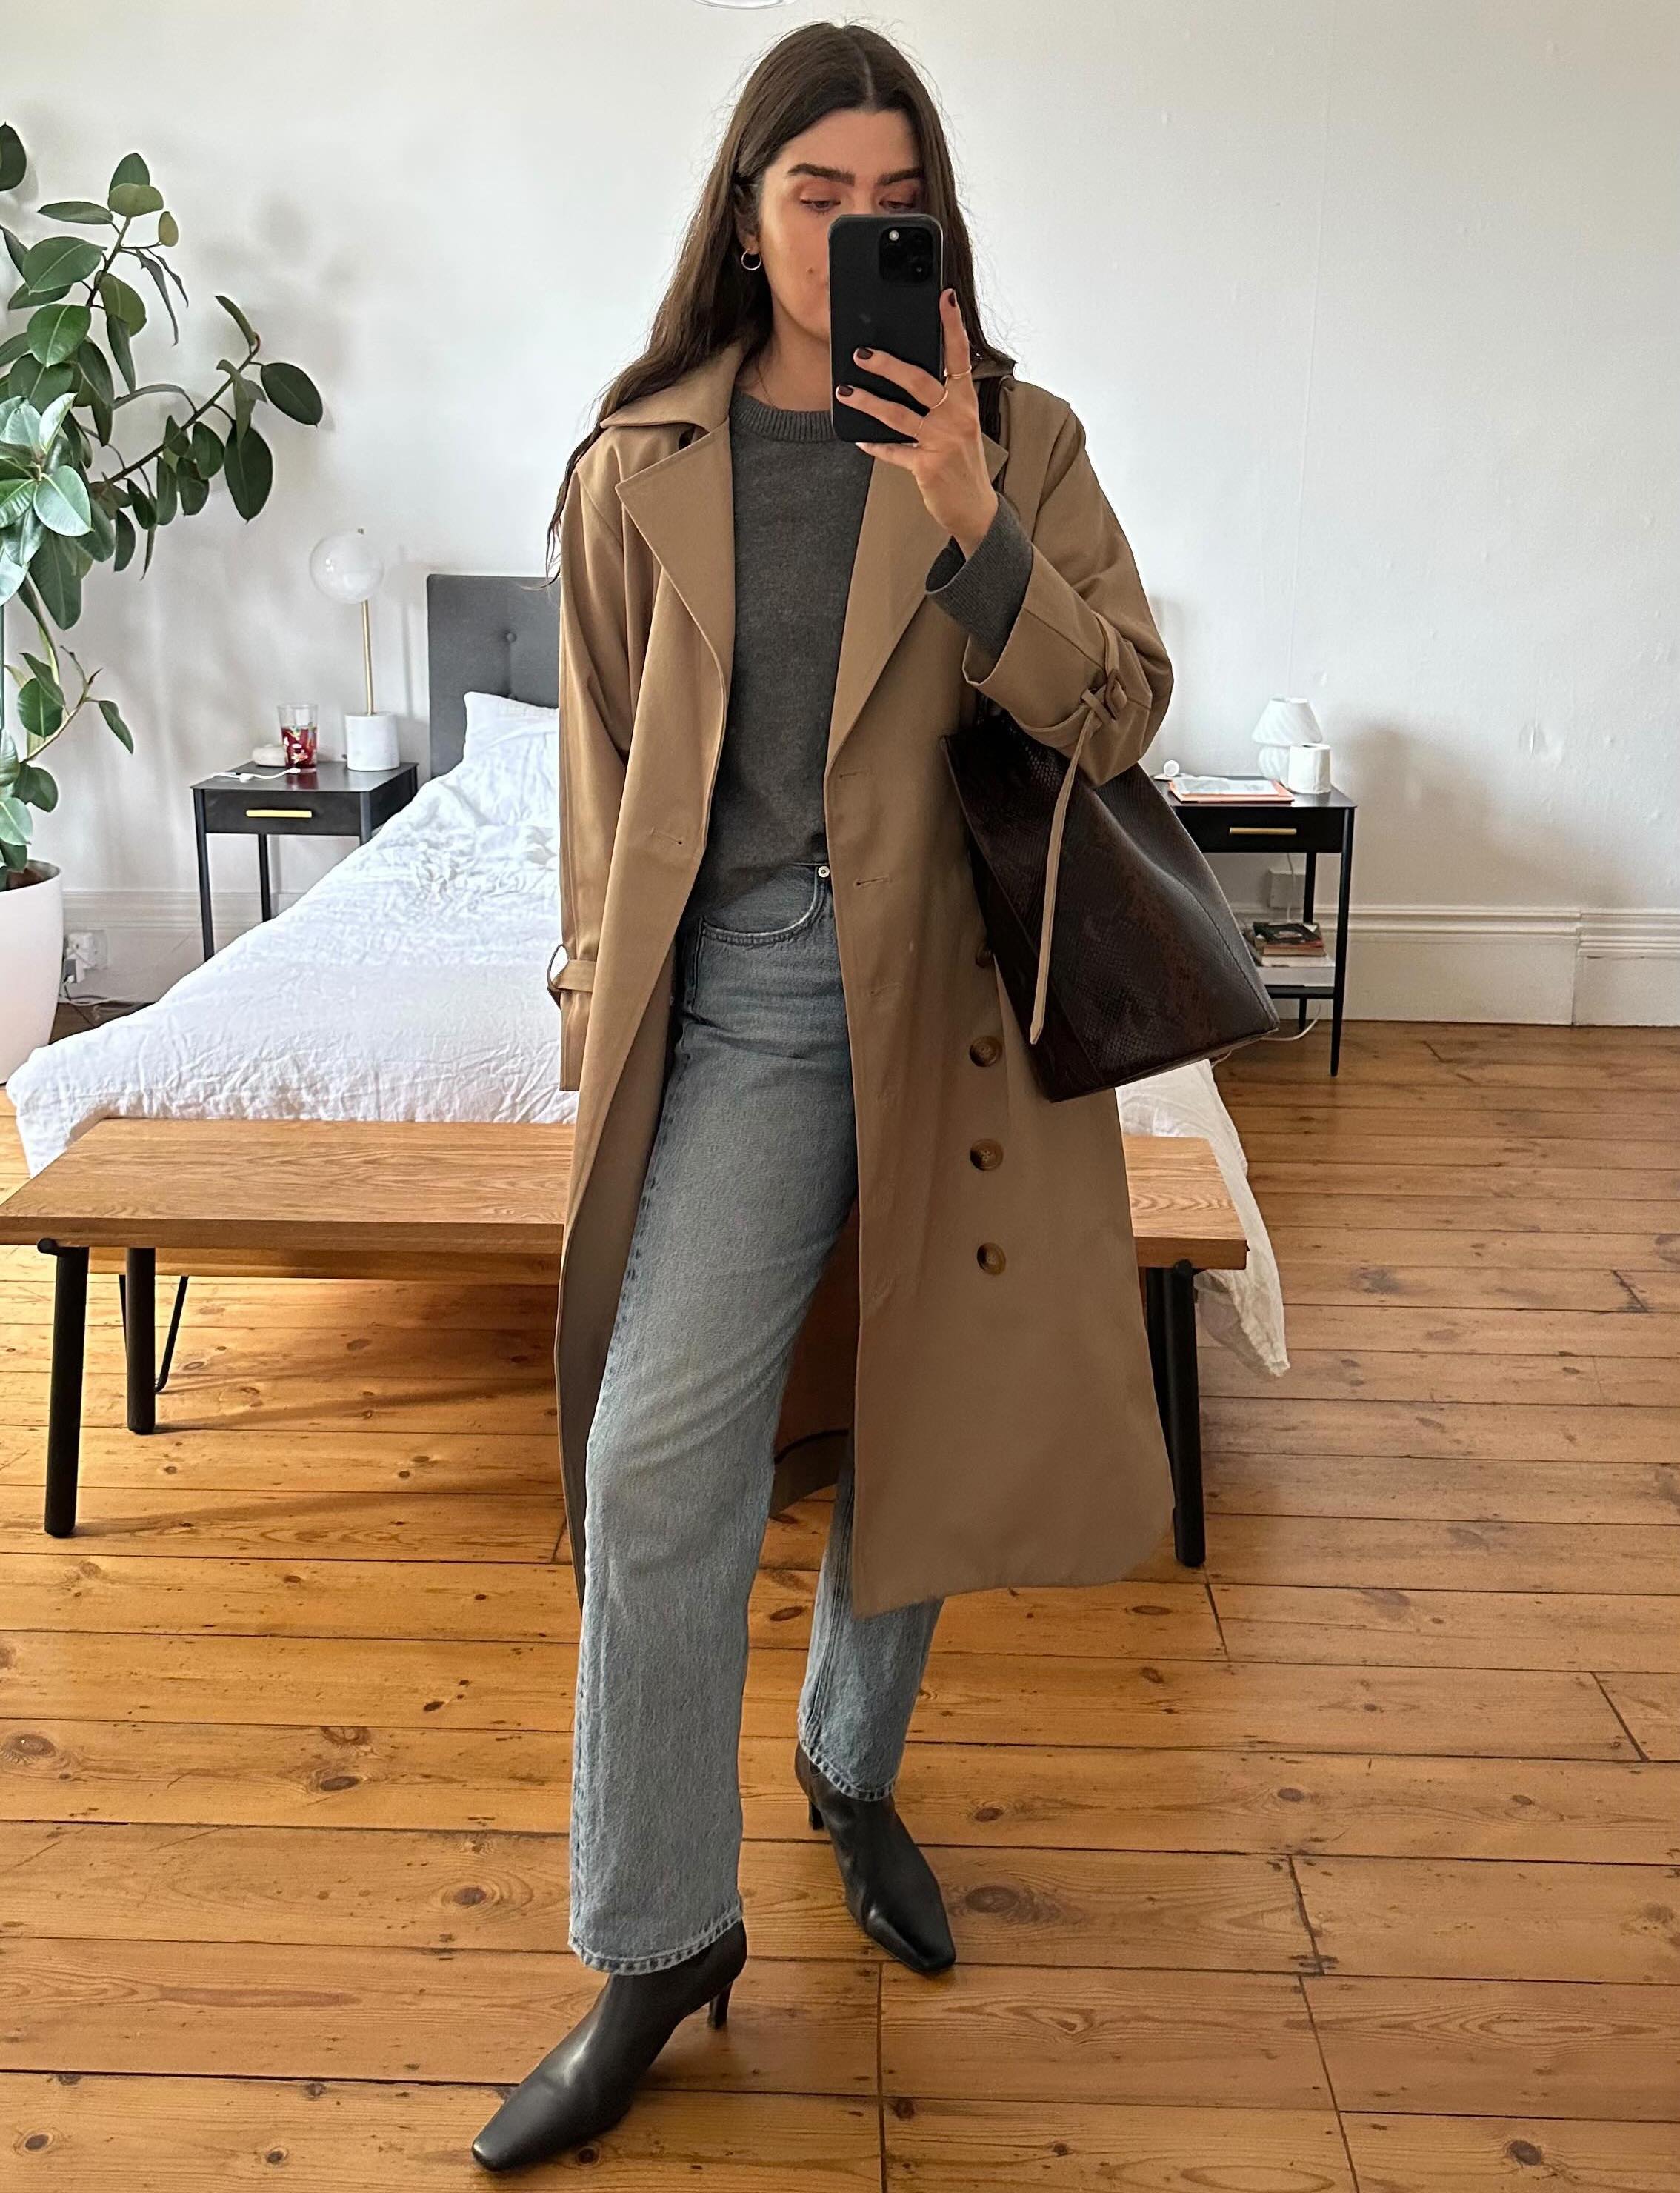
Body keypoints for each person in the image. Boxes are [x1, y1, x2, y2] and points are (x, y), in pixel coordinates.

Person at [473, 19, 1175, 2174]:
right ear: (743, 208)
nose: (858, 234)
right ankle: (658, 1937)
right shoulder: (636, 462)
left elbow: (1123, 718)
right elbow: (599, 788)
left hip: (958, 1000)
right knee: (658, 1460)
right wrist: (607, 1025)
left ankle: (852, 1773)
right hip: (748, 1008)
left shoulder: (1015, 437)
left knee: (925, 1413)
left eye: (898, 205)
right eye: (817, 196)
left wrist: (970, 518)